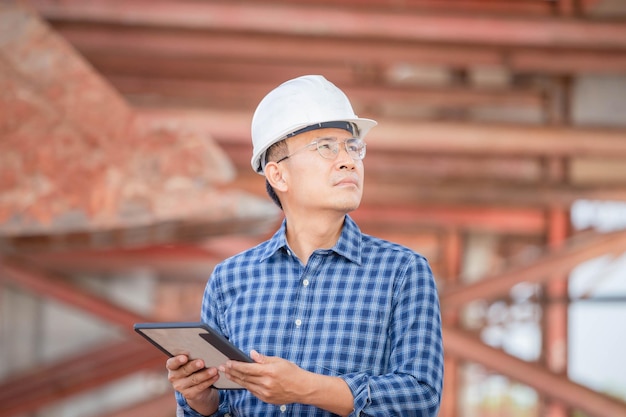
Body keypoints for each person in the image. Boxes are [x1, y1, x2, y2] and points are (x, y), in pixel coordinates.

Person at [166, 75, 444, 416]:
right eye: (326, 147)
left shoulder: (402, 272)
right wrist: (201, 402)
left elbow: (420, 396)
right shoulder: (230, 279)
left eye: (354, 147)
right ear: (278, 175)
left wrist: (307, 388)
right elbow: (216, 409)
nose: (349, 160)